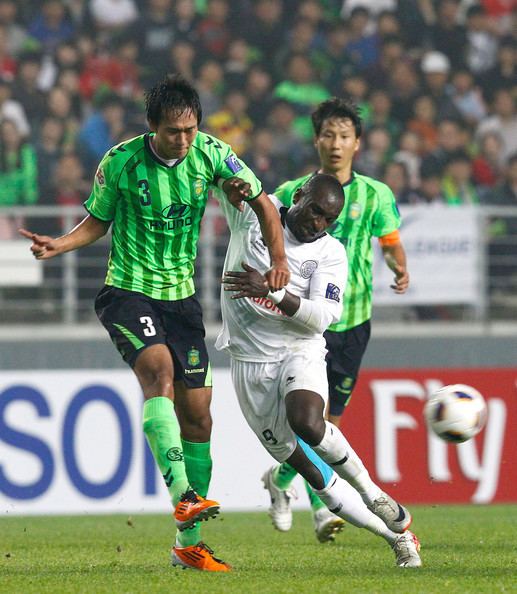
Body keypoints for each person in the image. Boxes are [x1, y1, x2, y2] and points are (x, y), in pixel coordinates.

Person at [19, 73, 289, 572]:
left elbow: (264, 205)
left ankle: (189, 545)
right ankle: (183, 493)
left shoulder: (212, 153)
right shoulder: (120, 162)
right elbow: (99, 220)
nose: (183, 141)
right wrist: (60, 243)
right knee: (159, 374)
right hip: (128, 291)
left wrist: (279, 259)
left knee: (200, 416)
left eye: (189, 130)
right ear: (152, 128)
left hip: (183, 301)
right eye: (173, 132)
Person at [216, 174, 421, 568]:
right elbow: (222, 180)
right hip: (249, 362)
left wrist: (272, 291)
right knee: (318, 480)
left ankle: (371, 490)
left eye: (329, 218)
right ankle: (396, 537)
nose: (319, 223)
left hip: (299, 349)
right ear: (298, 197)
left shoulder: (331, 253)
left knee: (308, 422)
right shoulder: (257, 214)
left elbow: (322, 318)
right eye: (315, 211)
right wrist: (228, 185)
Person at [259, 97, 409, 542]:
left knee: (328, 427)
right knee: (313, 420)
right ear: (317, 140)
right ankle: (325, 507)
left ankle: (281, 481)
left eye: (345, 136)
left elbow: (390, 241)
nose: (336, 143)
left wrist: (399, 265)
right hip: (302, 327)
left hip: (353, 321)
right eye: (329, 134)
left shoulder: (376, 194)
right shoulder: (292, 192)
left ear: (358, 143)